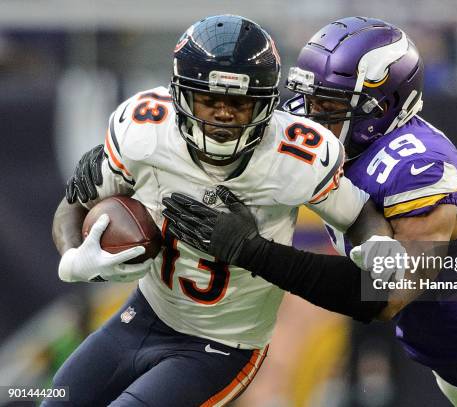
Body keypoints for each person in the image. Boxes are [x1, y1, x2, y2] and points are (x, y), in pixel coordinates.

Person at [159, 17, 457, 406]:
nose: (309, 118)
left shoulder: (416, 169)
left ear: (381, 110)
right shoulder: (347, 145)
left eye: (329, 107)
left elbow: (383, 298)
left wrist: (252, 250)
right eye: (308, 100)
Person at [48, 15, 391, 407]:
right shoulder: (145, 131)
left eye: (239, 104)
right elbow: (77, 201)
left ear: (265, 104)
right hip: (145, 315)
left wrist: (379, 243)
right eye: (210, 101)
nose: (224, 115)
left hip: (224, 346)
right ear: (181, 95)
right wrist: (73, 256)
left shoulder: (295, 156)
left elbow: (360, 214)